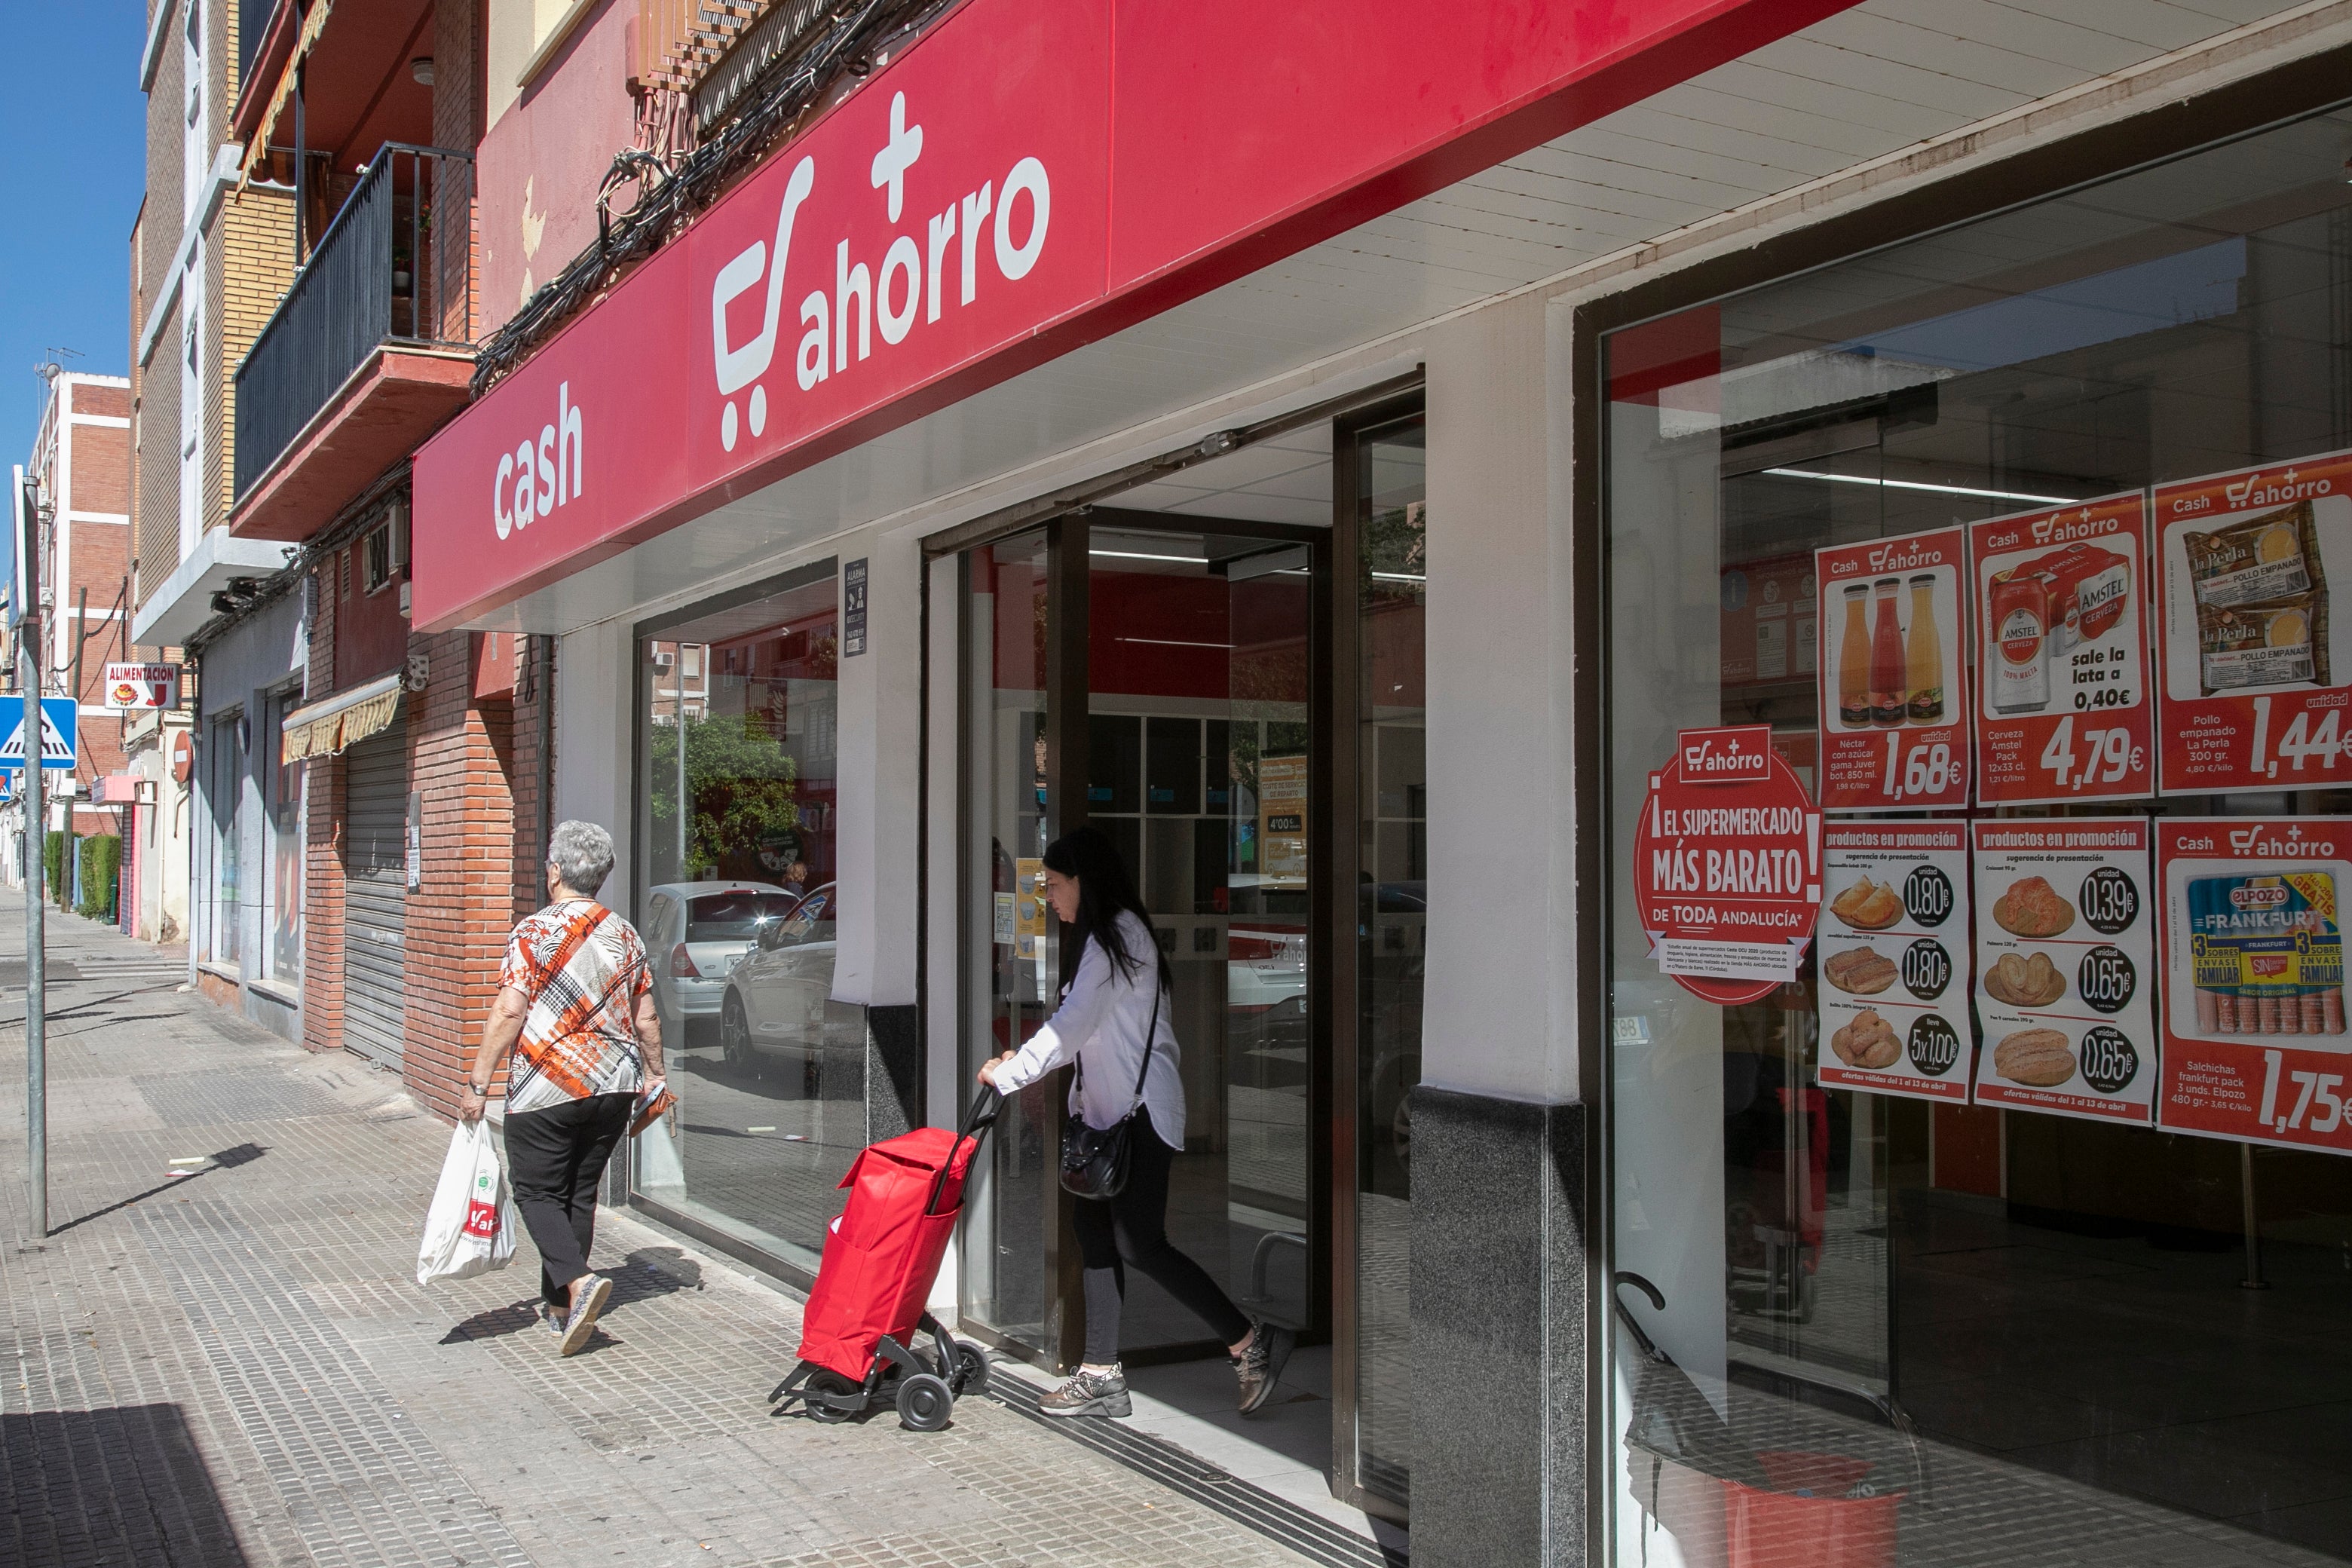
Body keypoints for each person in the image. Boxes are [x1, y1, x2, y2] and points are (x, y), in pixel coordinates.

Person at [979, 825, 1294, 1419]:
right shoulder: (1100, 939)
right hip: (1104, 1116)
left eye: (1053, 883)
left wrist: (1011, 1072)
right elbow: (1079, 1032)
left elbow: (1071, 1027)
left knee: (1138, 1241)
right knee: (1095, 1234)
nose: (1048, 895)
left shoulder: (1119, 937)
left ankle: (1252, 1344)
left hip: (1140, 1112)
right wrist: (1016, 1065)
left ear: (1083, 880)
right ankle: (1101, 1373)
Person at [459, 820, 666, 1357]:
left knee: (534, 1191)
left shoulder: (534, 932)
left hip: (547, 1084)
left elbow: (509, 1008)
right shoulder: (626, 934)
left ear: (555, 871)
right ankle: (561, 1308)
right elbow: (646, 1017)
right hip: (612, 1086)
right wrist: (656, 1075)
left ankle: (579, 1281)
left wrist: (479, 1082)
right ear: (601, 875)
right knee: (578, 1193)